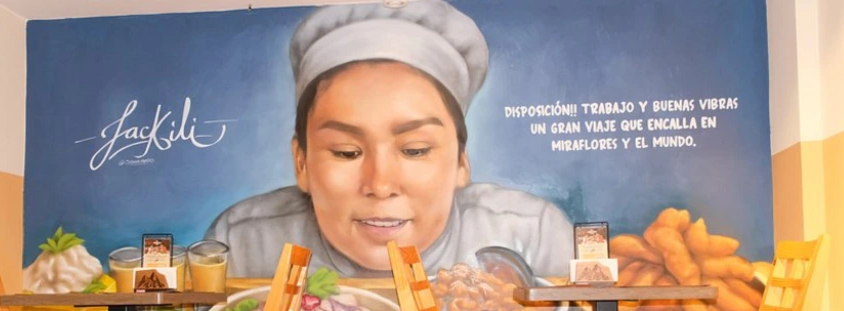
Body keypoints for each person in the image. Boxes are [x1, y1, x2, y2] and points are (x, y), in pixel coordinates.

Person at [206, 0, 573, 278]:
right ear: (301, 162)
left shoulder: (534, 235)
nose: (380, 185)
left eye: (415, 150)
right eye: (346, 152)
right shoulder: (241, 244)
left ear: (461, 161)